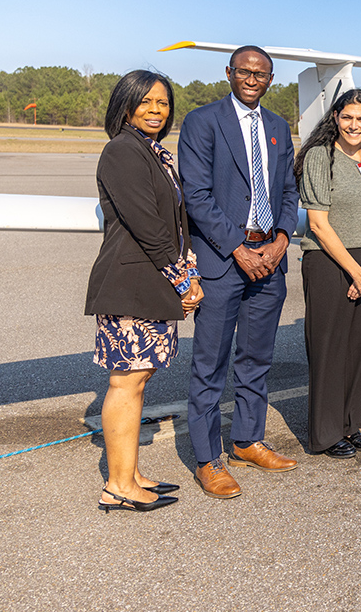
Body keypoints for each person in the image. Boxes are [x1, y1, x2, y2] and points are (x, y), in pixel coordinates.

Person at [179, 45, 300, 499]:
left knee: (256, 358)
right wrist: (236, 246)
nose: (252, 79)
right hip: (223, 260)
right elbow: (197, 194)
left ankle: (248, 439)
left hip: (270, 256)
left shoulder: (277, 127)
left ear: (271, 79)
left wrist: (283, 238)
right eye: (245, 71)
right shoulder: (202, 121)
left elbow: (288, 189)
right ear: (229, 73)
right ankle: (210, 460)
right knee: (210, 364)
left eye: (261, 73)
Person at [85, 71, 202, 512]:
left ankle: (130, 473)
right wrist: (184, 279)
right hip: (130, 283)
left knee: (139, 379)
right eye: (146, 101)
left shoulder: (152, 151)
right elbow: (149, 227)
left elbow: (174, 224)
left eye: (163, 102)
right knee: (126, 381)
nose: (156, 109)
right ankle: (118, 485)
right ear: (126, 104)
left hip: (152, 280)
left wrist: (184, 271)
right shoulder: (121, 151)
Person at [295, 90, 361, 458]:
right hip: (328, 260)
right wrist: (357, 272)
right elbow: (318, 225)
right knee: (329, 348)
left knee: (358, 347)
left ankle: (351, 424)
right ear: (336, 117)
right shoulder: (320, 157)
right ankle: (325, 432)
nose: (354, 125)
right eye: (348, 117)